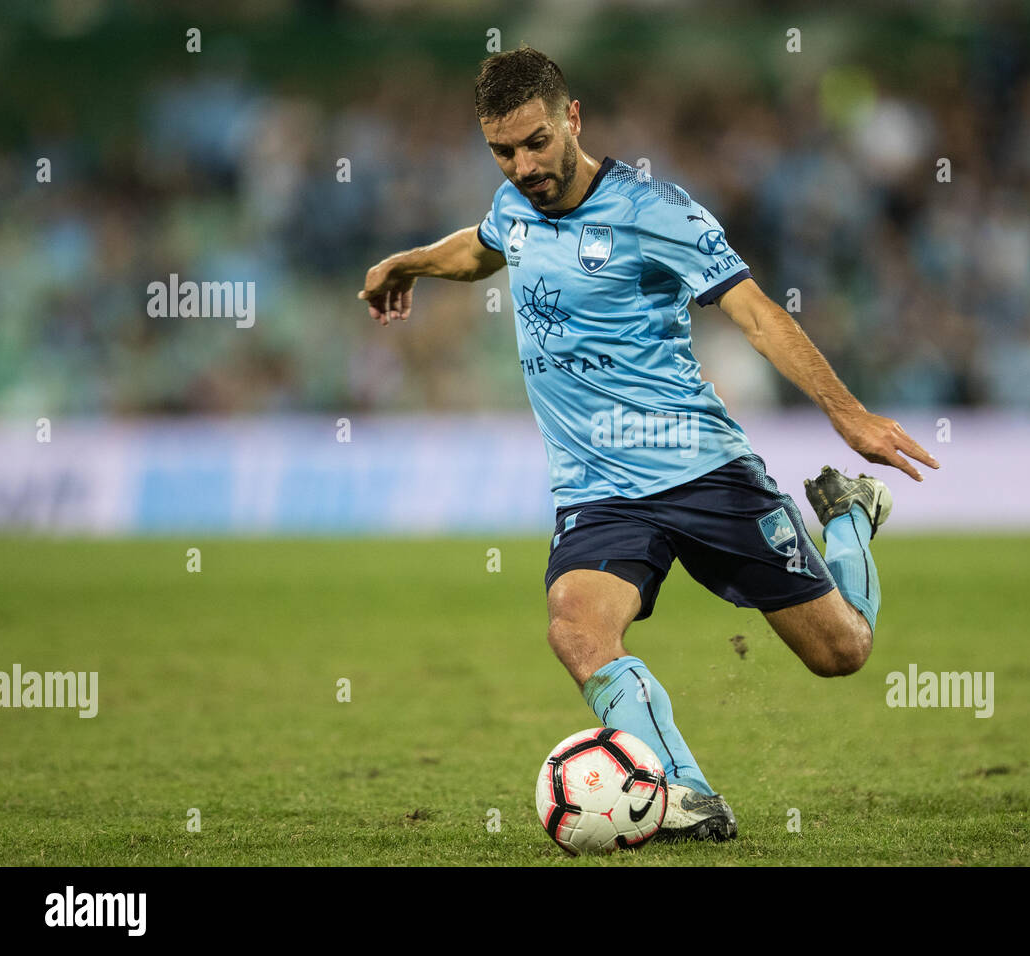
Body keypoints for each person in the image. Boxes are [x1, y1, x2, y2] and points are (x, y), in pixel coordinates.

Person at [359, 47, 938, 841]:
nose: (523, 165)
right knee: (575, 629)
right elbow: (485, 247)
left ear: (572, 118)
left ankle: (847, 521)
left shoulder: (655, 210)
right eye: (502, 150)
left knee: (841, 652)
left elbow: (758, 314)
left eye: (535, 142)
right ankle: (686, 794)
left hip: (700, 468)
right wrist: (410, 263)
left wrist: (848, 414)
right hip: (596, 489)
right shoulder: (513, 203)